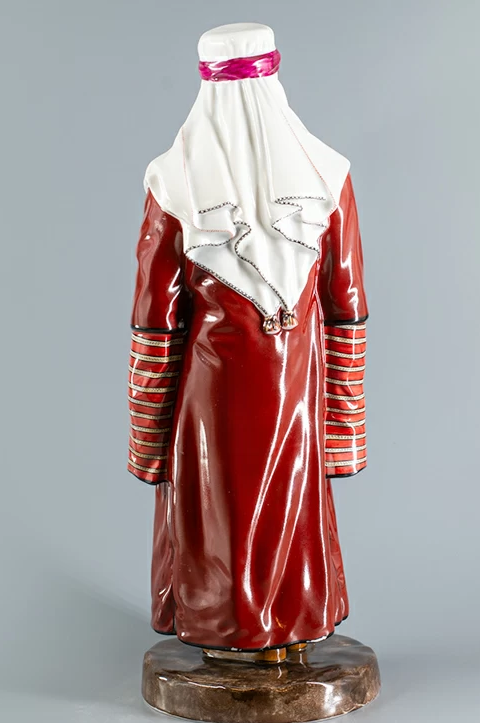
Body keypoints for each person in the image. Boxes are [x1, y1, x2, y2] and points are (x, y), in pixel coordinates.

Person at [126, 22, 369, 663]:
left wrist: (148, 442)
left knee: (217, 509)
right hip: (296, 390)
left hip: (210, 396)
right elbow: (347, 310)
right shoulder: (328, 175)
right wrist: (344, 431)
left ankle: (226, 630)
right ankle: (286, 628)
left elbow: (155, 321)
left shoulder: (173, 181)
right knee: (290, 503)